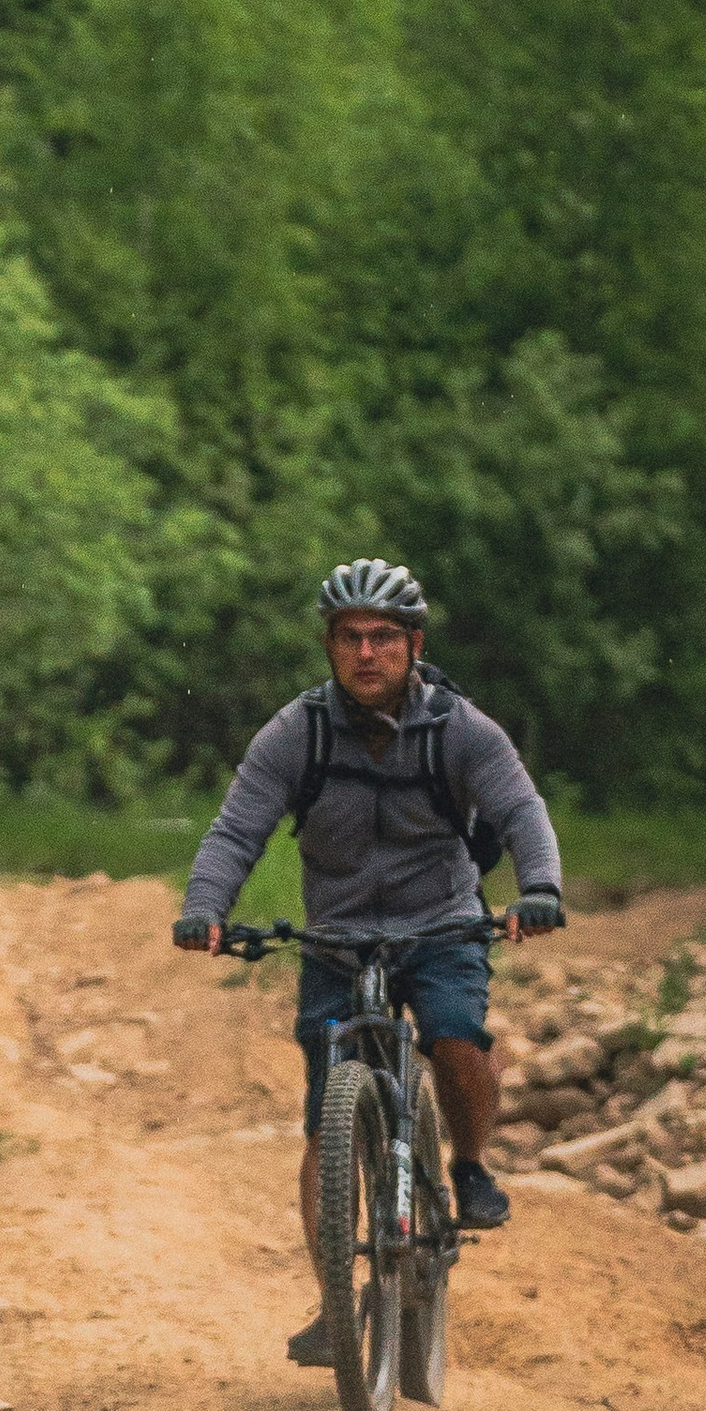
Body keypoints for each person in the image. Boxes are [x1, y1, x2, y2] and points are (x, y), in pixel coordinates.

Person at [172, 557, 566, 1368]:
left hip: (443, 926)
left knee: (456, 1035)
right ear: (329, 645)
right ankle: (336, 1304)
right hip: (338, 937)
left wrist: (541, 888)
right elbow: (237, 828)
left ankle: (469, 1164)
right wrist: (206, 908)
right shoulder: (297, 732)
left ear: (413, 644)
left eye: (383, 636)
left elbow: (520, 809)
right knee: (327, 1112)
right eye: (349, 637)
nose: (365, 653)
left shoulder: (460, 728)